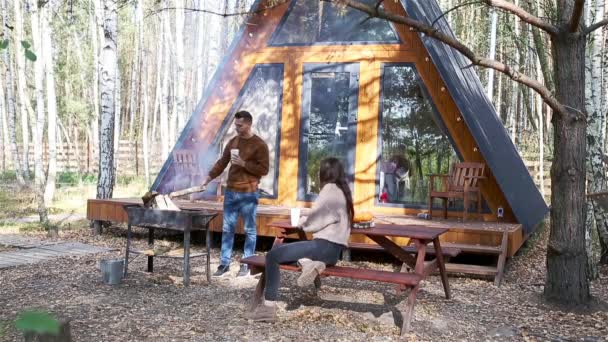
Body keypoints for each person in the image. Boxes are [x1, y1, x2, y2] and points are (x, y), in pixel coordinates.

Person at [248, 157, 354, 322]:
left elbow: (315, 221)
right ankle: (308, 263)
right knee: (284, 254)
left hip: (322, 247)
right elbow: (327, 215)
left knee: (272, 256)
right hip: (332, 254)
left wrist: (300, 223)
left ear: (324, 173)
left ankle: (268, 309)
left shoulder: (329, 190)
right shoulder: (344, 192)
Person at [203, 110, 270, 277]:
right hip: (231, 191)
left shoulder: (259, 145)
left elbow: (264, 169)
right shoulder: (233, 142)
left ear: (248, 124)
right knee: (227, 228)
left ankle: (247, 264)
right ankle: (224, 264)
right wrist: (209, 176)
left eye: (239, 125)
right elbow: (222, 162)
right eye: (236, 125)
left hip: (249, 192)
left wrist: (243, 163)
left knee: (249, 229)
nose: (237, 128)